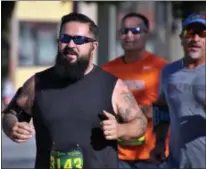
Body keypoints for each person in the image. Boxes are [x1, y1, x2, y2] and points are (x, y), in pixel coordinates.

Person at [2, 13, 148, 169]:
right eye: (65, 38)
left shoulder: (112, 86)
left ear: (94, 46)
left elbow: (140, 123)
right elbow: (9, 114)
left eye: (79, 40)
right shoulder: (38, 83)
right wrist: (12, 127)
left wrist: (120, 129)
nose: (70, 45)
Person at [102, 12, 170, 168]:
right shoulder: (107, 70)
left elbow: (169, 109)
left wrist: (141, 112)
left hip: (152, 155)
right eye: (124, 31)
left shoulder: (162, 69)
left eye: (136, 31)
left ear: (147, 34)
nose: (129, 35)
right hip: (116, 154)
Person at [153, 12, 206, 169]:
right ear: (181, 38)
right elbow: (161, 108)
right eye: (190, 33)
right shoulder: (168, 71)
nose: (195, 39)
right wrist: (160, 142)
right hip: (177, 162)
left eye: (202, 33)